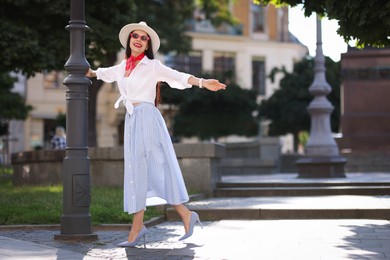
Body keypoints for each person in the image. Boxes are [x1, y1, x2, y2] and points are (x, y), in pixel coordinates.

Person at [86, 21, 226, 247]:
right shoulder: (123, 66)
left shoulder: (152, 65)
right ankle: (172, 218)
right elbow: (102, 73)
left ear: (147, 44)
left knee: (156, 166)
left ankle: (144, 226)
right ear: (129, 40)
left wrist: (202, 82)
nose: (139, 40)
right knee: (136, 170)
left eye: (144, 38)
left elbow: (178, 76)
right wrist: (87, 70)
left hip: (148, 118)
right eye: (135, 36)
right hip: (132, 120)